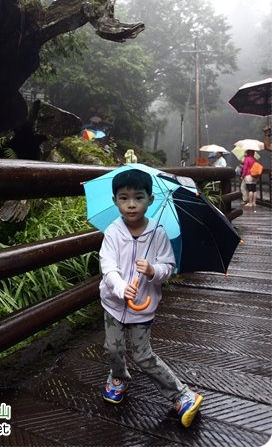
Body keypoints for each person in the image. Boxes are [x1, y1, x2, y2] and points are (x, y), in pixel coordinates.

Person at [99, 169, 203, 427]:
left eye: (138, 197)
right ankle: (118, 377)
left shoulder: (157, 233)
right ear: (115, 201)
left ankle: (181, 395)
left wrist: (154, 270)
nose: (131, 204)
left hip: (143, 309)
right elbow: (107, 265)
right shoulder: (113, 232)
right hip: (114, 304)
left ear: (150, 199)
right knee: (113, 348)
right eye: (124, 198)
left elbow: (169, 266)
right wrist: (121, 287)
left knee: (143, 355)